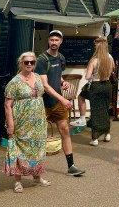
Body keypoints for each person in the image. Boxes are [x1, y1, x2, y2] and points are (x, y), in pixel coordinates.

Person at [3, 51, 73, 192]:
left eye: (32, 62)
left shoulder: (37, 77)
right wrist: (10, 124)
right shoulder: (14, 82)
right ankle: (18, 181)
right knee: (20, 149)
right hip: (21, 121)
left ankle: (37, 176)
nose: (29, 64)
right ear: (21, 63)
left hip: (38, 121)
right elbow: (7, 105)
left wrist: (62, 84)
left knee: (38, 148)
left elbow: (49, 86)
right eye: (26, 62)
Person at [35, 30, 85, 176]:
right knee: (38, 135)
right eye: (52, 40)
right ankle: (36, 168)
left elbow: (58, 75)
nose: (54, 42)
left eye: (57, 40)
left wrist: (63, 82)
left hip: (56, 102)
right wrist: (63, 99)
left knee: (64, 130)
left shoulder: (61, 58)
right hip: (42, 102)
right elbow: (45, 86)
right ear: (48, 41)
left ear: (61, 41)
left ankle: (71, 166)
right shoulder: (42, 60)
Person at [85, 37, 115, 146]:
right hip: (107, 85)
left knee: (96, 111)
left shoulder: (94, 60)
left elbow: (87, 77)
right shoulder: (110, 58)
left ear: (97, 47)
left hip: (96, 86)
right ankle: (107, 134)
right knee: (106, 110)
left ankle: (95, 138)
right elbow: (112, 71)